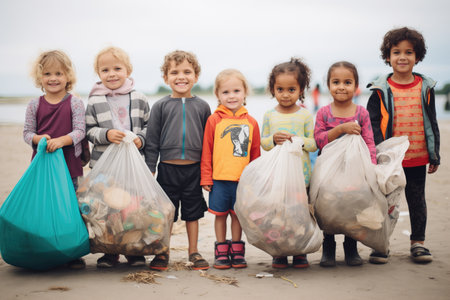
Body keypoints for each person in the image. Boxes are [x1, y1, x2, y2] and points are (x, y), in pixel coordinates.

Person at [367, 27, 440, 264]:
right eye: (396, 52)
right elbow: (373, 124)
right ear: (387, 57)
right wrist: (377, 153)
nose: (402, 57)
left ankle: (418, 243)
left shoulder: (425, 87)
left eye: (409, 52)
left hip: (417, 156)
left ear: (417, 57)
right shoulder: (380, 90)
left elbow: (432, 121)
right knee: (385, 204)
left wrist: (434, 153)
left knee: (417, 200)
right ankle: (381, 245)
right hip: (389, 161)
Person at [145, 50, 211, 271]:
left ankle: (194, 252)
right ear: (166, 78)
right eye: (174, 72)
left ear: (196, 76)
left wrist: (206, 172)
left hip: (193, 171)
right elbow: (152, 141)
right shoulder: (160, 106)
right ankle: (162, 252)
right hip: (167, 170)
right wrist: (150, 169)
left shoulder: (202, 107)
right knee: (167, 214)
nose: (181, 76)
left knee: (192, 213)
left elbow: (208, 143)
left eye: (187, 72)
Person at [85, 46, 150, 268]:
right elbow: (89, 130)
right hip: (104, 164)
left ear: (128, 70)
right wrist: (105, 134)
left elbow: (149, 126)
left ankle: (134, 251)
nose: (111, 74)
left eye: (117, 68)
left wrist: (141, 138)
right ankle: (109, 251)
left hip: (133, 164)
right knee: (106, 208)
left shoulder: (139, 97)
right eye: (105, 70)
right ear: (98, 74)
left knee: (132, 207)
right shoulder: (94, 100)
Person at [23, 50, 86, 269]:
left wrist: (61, 141)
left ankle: (72, 251)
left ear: (68, 76)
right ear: (40, 77)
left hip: (69, 166)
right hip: (42, 167)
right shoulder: (34, 105)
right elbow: (27, 134)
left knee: (69, 207)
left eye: (59, 73)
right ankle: (45, 247)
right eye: (48, 73)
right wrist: (39, 138)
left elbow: (80, 131)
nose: (53, 78)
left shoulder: (75, 103)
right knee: (45, 206)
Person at [314, 61, 377, 267]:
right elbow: (318, 141)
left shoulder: (361, 113)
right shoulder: (324, 112)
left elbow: (369, 142)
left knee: (352, 206)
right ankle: (328, 247)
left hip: (354, 170)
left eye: (347, 82)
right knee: (328, 207)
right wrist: (341, 129)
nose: (341, 86)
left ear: (356, 85)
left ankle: (351, 247)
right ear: (328, 85)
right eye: (336, 82)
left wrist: (373, 167)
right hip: (328, 172)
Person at [201, 69, 261, 269]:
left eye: (236, 90)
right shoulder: (214, 120)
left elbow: (255, 154)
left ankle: (237, 250)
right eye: (225, 92)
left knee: (237, 215)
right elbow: (207, 151)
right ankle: (221, 249)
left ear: (245, 93)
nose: (231, 96)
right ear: (217, 95)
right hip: (219, 179)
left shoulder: (251, 122)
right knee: (220, 215)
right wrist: (206, 178)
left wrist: (255, 180)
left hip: (242, 181)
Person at [261, 58, 317, 269]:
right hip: (277, 177)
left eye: (291, 89)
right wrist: (273, 139)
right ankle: (280, 252)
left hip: (301, 177)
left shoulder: (304, 115)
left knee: (300, 215)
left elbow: (313, 144)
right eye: (280, 89)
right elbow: (263, 143)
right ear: (273, 89)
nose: (285, 94)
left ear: (301, 89)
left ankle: (300, 251)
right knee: (279, 216)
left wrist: (300, 141)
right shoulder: (269, 115)